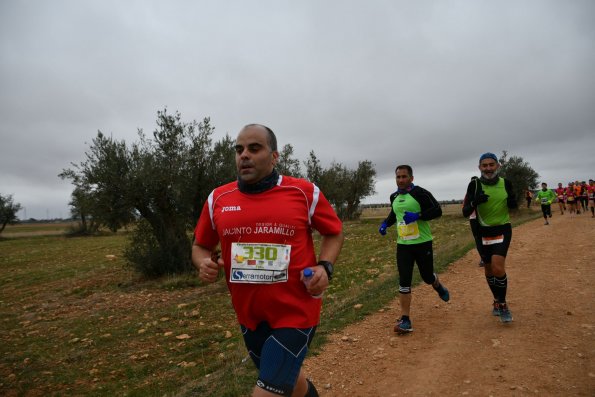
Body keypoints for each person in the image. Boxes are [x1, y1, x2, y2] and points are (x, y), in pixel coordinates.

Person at [192, 124, 344, 397]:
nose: (244, 155)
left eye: (254, 148)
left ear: (274, 156)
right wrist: (203, 262)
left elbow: (334, 232)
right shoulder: (218, 198)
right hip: (249, 316)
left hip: (296, 312)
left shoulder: (304, 192)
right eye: (239, 150)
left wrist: (325, 266)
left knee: (268, 391)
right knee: (292, 382)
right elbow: (200, 245)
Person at [378, 164, 449, 334]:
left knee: (426, 276)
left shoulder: (420, 193)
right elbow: (395, 214)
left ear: (411, 178)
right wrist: (385, 224)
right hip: (403, 245)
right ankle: (405, 319)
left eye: (404, 176)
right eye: (398, 177)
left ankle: (437, 285)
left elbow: (437, 211)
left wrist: (418, 216)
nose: (401, 180)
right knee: (404, 280)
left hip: (423, 243)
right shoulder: (394, 196)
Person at [462, 152, 517, 323]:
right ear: (479, 167)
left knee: (498, 267)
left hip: (502, 229)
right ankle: (496, 300)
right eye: (484, 165)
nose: (488, 169)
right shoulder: (474, 185)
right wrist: (474, 202)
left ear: (498, 166)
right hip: (482, 232)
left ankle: (503, 304)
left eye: (491, 165)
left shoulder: (505, 183)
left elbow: (513, 204)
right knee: (488, 269)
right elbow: (465, 212)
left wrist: (513, 202)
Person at [463, 176, 486, 266]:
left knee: (482, 238)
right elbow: (464, 209)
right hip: (474, 219)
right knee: (478, 239)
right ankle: (483, 258)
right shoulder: (468, 194)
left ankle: (486, 257)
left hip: (483, 218)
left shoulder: (482, 192)